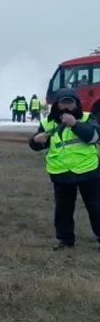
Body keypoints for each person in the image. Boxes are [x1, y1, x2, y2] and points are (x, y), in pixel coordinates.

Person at [28, 88, 100, 251]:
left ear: (76, 104)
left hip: (87, 171)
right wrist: (35, 140)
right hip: (61, 173)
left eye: (70, 102)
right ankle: (65, 240)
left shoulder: (88, 118)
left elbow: (94, 137)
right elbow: (38, 144)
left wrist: (75, 124)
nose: (67, 106)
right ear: (57, 105)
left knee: (96, 207)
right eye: (63, 103)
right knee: (63, 210)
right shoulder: (47, 123)